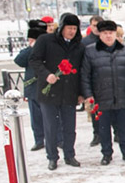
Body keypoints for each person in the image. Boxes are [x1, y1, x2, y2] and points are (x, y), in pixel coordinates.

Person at [29, 12, 85, 171]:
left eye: (75, 28)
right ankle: (52, 157)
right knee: (51, 127)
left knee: (69, 127)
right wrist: (47, 75)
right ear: (61, 27)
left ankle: (69, 154)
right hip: (49, 93)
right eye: (69, 28)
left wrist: (80, 93)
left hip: (69, 93)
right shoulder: (46, 40)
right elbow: (34, 60)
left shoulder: (78, 46)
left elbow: (81, 70)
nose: (72, 31)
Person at [80, 19, 125, 165]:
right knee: (104, 129)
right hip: (101, 98)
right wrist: (88, 95)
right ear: (100, 35)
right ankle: (106, 154)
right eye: (105, 33)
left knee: (124, 128)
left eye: (111, 33)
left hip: (122, 96)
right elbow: (85, 75)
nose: (108, 36)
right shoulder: (91, 51)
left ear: (115, 34)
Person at [15, 20, 52, 151]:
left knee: (51, 116)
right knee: (35, 117)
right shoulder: (28, 50)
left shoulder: (48, 46)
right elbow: (19, 61)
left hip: (47, 87)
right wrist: (31, 48)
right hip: (32, 88)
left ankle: (56, 139)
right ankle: (39, 139)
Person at [82, 15, 104, 147]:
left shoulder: (107, 39)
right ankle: (97, 134)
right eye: (94, 25)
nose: (96, 28)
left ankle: (117, 133)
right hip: (93, 81)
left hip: (106, 80)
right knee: (95, 111)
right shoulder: (85, 42)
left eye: (98, 25)